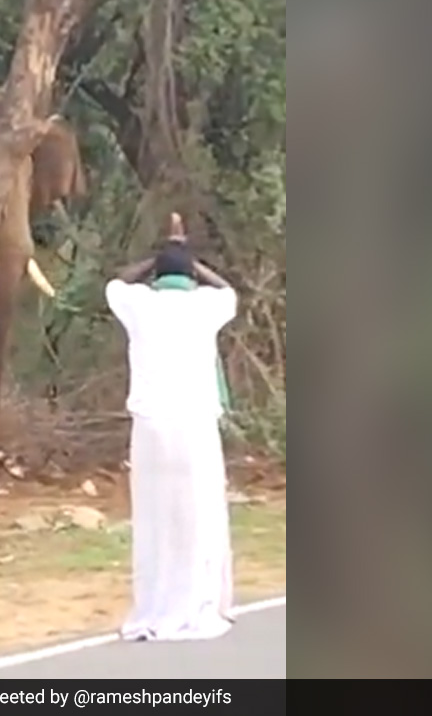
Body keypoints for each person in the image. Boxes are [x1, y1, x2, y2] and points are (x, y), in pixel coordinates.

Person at [105, 212, 238, 642]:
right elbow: (227, 290)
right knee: (198, 514)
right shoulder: (206, 306)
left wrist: (158, 256)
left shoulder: (139, 305)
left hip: (150, 429)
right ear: (192, 277)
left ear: (155, 277)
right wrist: (188, 259)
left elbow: (116, 283)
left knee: (155, 519)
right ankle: (198, 603)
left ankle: (156, 604)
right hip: (195, 424)